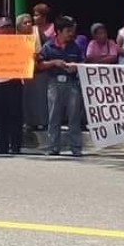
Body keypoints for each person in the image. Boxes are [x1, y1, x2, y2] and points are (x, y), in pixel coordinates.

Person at [38, 15, 84, 156]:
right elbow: (38, 65)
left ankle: (76, 148)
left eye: (72, 31)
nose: (71, 34)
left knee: (74, 117)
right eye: (68, 31)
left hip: (72, 84)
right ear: (58, 31)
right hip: (54, 83)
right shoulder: (48, 46)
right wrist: (54, 62)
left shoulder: (75, 46)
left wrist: (76, 67)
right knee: (54, 116)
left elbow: (82, 63)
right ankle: (53, 147)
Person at [0, 17, 24, 155]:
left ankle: (15, 146)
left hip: (13, 81)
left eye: (8, 26)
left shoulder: (20, 43)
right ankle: (1, 145)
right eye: (3, 27)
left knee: (15, 116)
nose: (6, 29)